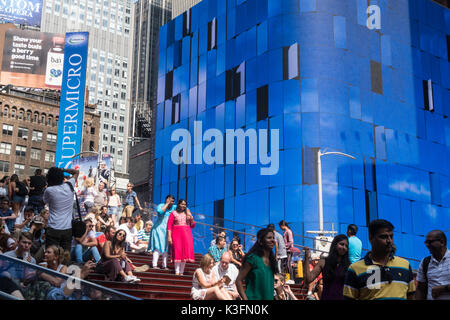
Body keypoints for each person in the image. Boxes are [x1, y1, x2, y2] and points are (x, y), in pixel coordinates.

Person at [344, 219, 415, 300]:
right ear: (371, 238)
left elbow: (411, 296)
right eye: (383, 237)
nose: (389, 241)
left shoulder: (405, 265)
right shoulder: (354, 269)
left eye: (391, 236)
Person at [303, 234, 350, 300]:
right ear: (335, 244)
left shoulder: (348, 266)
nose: (344, 247)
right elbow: (308, 279)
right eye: (341, 244)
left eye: (346, 246)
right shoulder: (323, 262)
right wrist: (307, 258)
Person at [43, 167, 79, 252]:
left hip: (53, 228)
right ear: (61, 177)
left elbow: (43, 202)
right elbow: (76, 172)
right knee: (65, 256)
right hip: (67, 228)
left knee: (51, 255)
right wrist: (62, 170)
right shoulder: (69, 185)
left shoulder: (49, 190)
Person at [236, 228, 277, 300]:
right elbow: (238, 280)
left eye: (273, 238)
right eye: (269, 238)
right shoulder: (252, 258)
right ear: (260, 241)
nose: (272, 240)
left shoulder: (272, 261)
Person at [415, 230, 450, 300]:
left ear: (442, 242)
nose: (427, 245)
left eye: (430, 242)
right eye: (426, 242)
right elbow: (421, 289)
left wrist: (443, 288)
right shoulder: (425, 262)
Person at [167, 199, 195, 275]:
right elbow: (169, 225)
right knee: (177, 251)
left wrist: (191, 218)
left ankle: (181, 272)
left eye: (185, 204)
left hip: (187, 234)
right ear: (178, 204)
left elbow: (192, 225)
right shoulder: (173, 213)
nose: (183, 206)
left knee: (185, 252)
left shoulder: (188, 214)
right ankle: (177, 271)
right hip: (176, 235)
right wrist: (169, 237)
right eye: (182, 204)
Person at [149, 195, 175, 269]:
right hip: (158, 229)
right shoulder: (161, 205)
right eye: (169, 200)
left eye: (172, 201)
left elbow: (184, 208)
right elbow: (160, 212)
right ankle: (154, 264)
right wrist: (167, 204)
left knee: (166, 247)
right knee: (158, 246)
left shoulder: (174, 207)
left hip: (168, 230)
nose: (171, 202)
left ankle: (164, 265)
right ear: (166, 199)